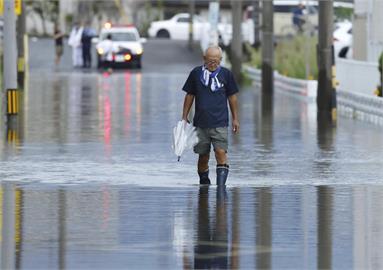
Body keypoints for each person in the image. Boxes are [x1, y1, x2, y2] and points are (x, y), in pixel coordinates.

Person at [181, 46, 239, 186]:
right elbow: (190, 95)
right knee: (203, 156)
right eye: (210, 60)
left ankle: (221, 187)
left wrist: (235, 118)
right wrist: (184, 116)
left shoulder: (226, 74)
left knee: (220, 152)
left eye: (216, 60)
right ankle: (204, 182)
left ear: (220, 60)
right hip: (201, 123)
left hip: (220, 123)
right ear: (204, 59)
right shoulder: (196, 74)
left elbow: (232, 97)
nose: (213, 63)